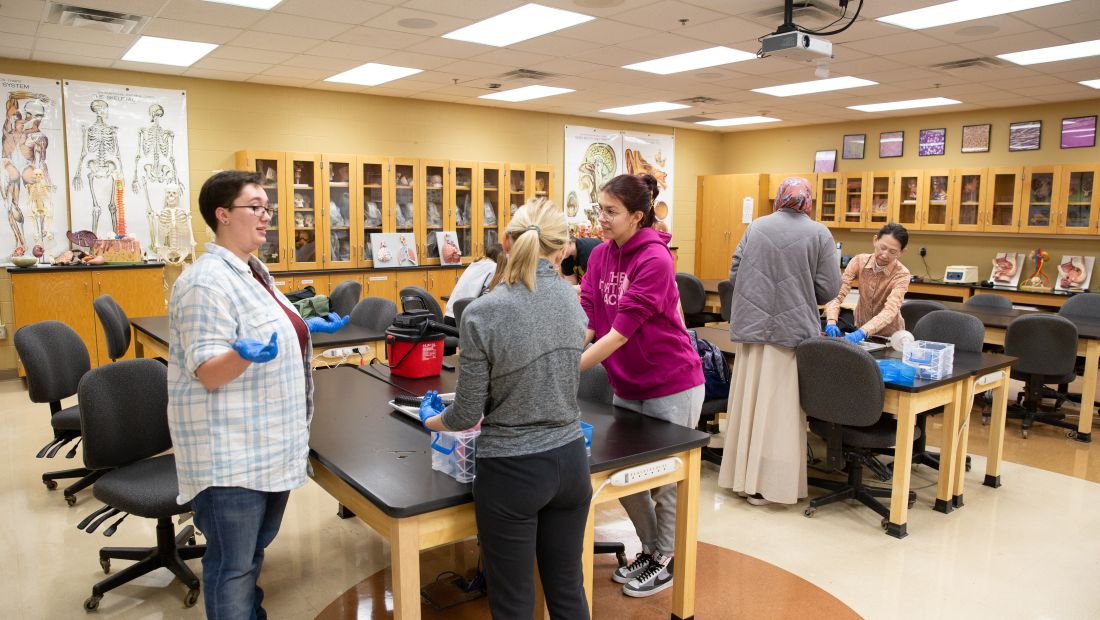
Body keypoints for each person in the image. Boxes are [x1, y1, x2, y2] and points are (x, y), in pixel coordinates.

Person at [167, 170, 347, 619]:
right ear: (223, 214)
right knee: (232, 566)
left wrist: (303, 326)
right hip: (231, 455)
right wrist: (243, 356)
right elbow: (208, 372)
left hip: (263, 446)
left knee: (249, 557)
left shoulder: (250, 270)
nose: (266, 217)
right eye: (256, 207)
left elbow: (269, 325)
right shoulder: (205, 281)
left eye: (268, 208)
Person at [419, 197, 591, 619]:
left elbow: (466, 414)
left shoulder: (484, 313)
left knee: (513, 601)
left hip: (513, 471)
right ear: (563, 248)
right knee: (567, 588)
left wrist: (431, 421)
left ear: (506, 242)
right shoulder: (572, 301)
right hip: (571, 464)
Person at [578, 173, 704, 598]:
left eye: (611, 212)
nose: (602, 219)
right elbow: (589, 321)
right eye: (599, 209)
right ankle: (651, 550)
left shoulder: (655, 259)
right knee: (623, 475)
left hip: (672, 383)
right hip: (627, 383)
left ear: (636, 216)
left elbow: (618, 333)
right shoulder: (598, 256)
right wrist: (561, 351)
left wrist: (565, 371)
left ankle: (664, 558)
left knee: (666, 478)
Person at [719, 177, 841, 506]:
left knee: (749, 405)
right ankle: (771, 487)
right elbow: (829, 289)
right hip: (791, 335)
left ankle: (741, 480)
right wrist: (798, 291)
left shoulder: (757, 227)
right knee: (780, 415)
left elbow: (734, 273)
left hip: (752, 329)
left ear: (779, 199)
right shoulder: (820, 234)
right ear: (808, 201)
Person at [824, 223, 911, 342]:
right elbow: (837, 294)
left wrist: (862, 332)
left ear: (901, 252)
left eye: (892, 252)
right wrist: (831, 321)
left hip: (889, 337)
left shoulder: (902, 274)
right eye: (882, 248)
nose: (885, 254)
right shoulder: (859, 261)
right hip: (860, 328)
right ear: (875, 240)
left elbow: (890, 310)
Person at [443, 242, 504, 325]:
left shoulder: (475, 263)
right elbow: (487, 297)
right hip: (462, 320)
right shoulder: (494, 267)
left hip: (449, 316)